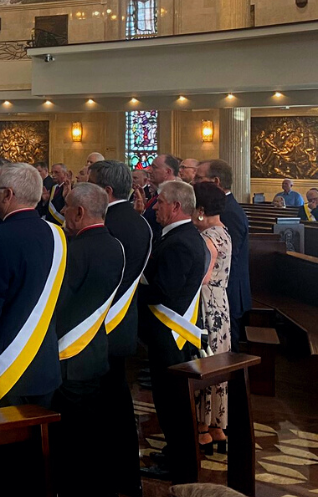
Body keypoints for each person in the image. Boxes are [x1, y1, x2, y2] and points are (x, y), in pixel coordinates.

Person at [0, 163, 65, 497]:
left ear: (7, 194)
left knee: (6, 469)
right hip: (45, 366)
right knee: (38, 465)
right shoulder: (57, 235)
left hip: (7, 370)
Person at [51, 183, 126, 497]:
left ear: (79, 212)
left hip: (67, 356)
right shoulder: (116, 246)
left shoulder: (73, 251)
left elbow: (57, 304)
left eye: (66, 206)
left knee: (68, 440)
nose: (63, 211)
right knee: (90, 433)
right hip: (95, 353)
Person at [88, 160, 151, 497]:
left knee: (102, 405)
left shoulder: (106, 225)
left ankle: (107, 474)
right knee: (117, 401)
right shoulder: (139, 222)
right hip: (123, 324)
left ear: (107, 190)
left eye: (90, 183)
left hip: (100, 326)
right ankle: (126, 474)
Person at [138, 180, 208, 483]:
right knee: (168, 401)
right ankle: (173, 453)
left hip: (171, 335)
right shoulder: (182, 236)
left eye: (161, 202)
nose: (156, 207)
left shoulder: (180, 242)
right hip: (168, 334)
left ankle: (178, 464)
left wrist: (131, 290)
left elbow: (164, 291)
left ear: (176, 206)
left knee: (171, 403)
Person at [193, 181, 232, 455]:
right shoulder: (223, 231)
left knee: (204, 363)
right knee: (218, 364)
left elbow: (202, 277)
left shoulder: (207, 238)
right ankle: (218, 426)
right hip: (221, 303)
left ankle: (202, 429)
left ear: (200, 209)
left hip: (207, 305)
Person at [196, 159, 250, 348]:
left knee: (225, 350)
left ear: (216, 181)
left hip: (227, 291)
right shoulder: (223, 207)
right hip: (221, 291)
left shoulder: (228, 212)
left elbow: (228, 258)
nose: (194, 182)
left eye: (199, 178)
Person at [143, 154, 181, 241]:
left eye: (154, 167)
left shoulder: (175, 195)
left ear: (168, 172)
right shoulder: (158, 192)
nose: (149, 171)